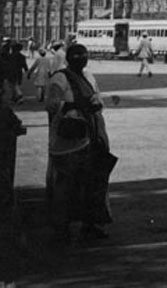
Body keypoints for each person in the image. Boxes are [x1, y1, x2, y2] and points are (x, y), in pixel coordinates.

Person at [45, 44, 116, 242]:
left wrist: (95, 104)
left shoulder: (89, 77)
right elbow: (51, 104)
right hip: (69, 141)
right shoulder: (60, 78)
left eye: (84, 56)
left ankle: (91, 224)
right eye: (76, 56)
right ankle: (62, 227)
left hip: (91, 136)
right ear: (68, 58)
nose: (81, 59)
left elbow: (97, 99)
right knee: (66, 185)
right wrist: (74, 105)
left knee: (93, 183)